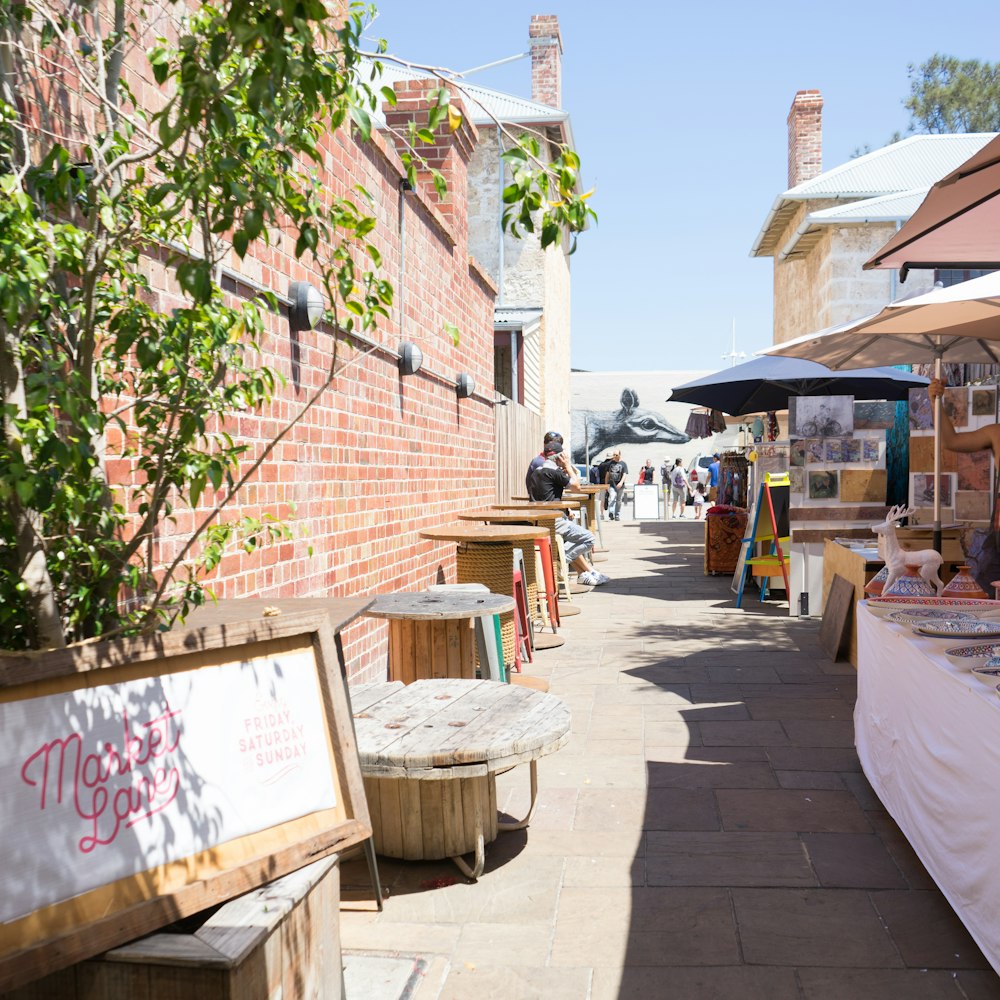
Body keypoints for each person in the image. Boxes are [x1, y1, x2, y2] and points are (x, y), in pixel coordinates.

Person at [528, 440, 609, 586]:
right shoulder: (554, 472)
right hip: (554, 521)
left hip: (539, 520)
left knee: (571, 538)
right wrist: (567, 466)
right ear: (559, 457)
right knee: (588, 538)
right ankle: (559, 560)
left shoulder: (536, 473)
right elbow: (576, 487)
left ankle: (584, 572)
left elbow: (548, 495)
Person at [604, 450, 628, 521]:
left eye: (616, 455)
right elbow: (607, 475)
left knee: (618, 500)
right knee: (612, 498)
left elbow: (625, 474)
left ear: (620, 455)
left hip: (620, 485)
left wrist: (621, 483)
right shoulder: (610, 463)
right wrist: (606, 485)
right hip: (612, 484)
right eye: (614, 455)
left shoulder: (623, 464)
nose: (614, 456)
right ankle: (611, 512)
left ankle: (617, 515)